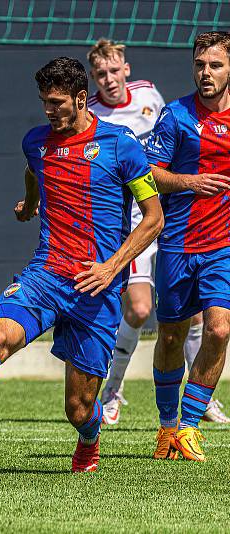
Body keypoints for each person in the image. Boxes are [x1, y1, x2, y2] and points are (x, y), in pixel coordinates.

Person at [0, 57, 163, 472]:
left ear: (82, 99)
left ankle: (89, 439)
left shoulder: (122, 145)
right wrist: (30, 205)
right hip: (44, 275)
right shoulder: (36, 142)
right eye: (44, 102)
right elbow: (34, 173)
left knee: (79, 410)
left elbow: (154, 218)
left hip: (95, 287)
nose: (48, 110)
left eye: (57, 102)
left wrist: (111, 268)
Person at [87, 39, 229, 425]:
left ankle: (194, 413)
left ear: (126, 70)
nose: (109, 79)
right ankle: (122, 394)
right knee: (148, 317)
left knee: (210, 324)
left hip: (197, 232)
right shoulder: (100, 114)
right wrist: (190, 182)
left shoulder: (149, 95)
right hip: (142, 227)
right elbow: (147, 169)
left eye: (114, 70)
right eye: (100, 74)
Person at [146, 31, 230, 461]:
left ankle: (190, 426)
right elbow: (150, 173)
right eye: (200, 64)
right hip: (178, 243)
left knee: (219, 328)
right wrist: (190, 182)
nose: (206, 73)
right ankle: (165, 426)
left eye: (215, 65)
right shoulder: (175, 115)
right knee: (172, 336)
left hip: (223, 247)